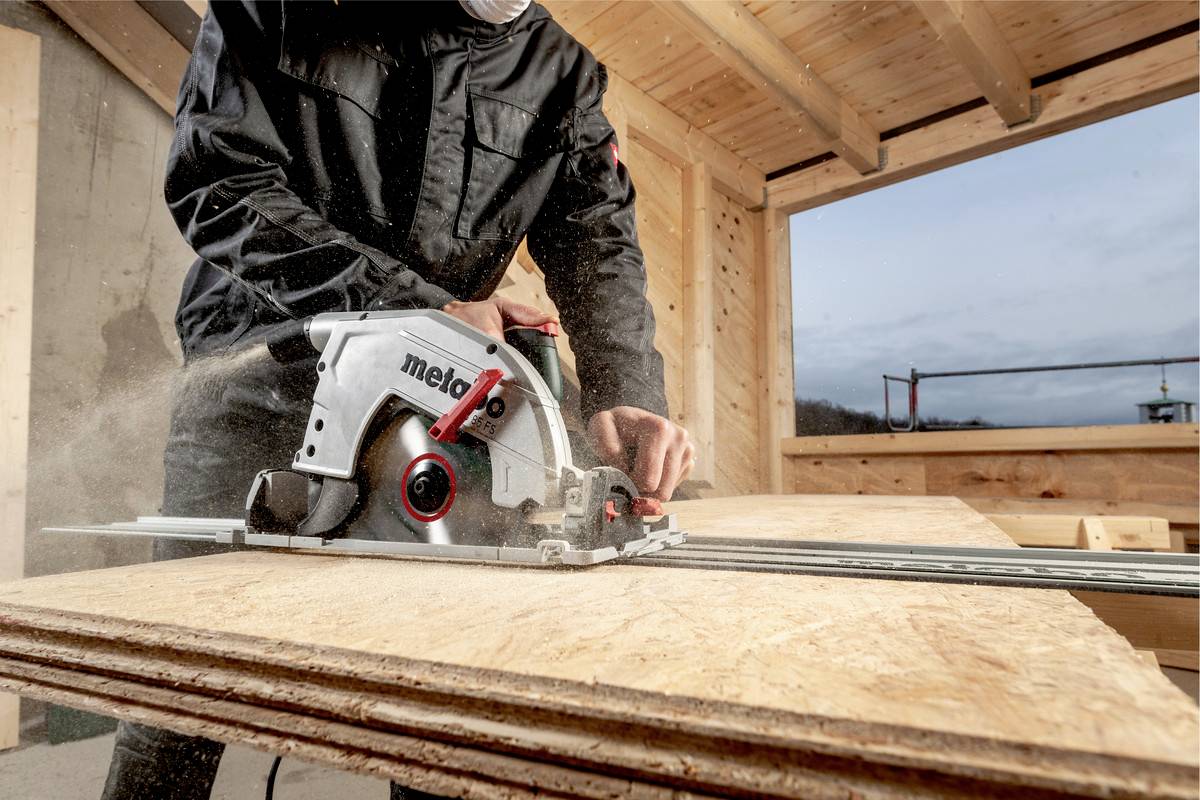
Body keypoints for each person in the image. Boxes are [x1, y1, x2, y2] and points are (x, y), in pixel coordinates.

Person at [102, 1, 692, 798]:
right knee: (178, 686)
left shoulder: (563, 74)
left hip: (431, 407)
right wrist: (409, 304)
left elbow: (597, 237)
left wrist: (624, 392)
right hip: (260, 378)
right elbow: (217, 180)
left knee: (437, 700)